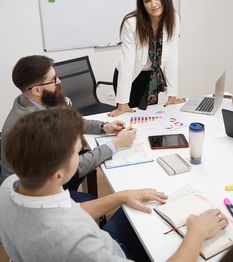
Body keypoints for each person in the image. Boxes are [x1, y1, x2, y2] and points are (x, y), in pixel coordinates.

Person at [0, 107, 228, 262]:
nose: (80, 154)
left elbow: (65, 211)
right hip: (106, 251)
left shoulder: (10, 186)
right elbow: (67, 229)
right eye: (76, 153)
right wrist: (196, 235)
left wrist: (119, 196)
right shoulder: (77, 243)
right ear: (58, 176)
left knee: (132, 213)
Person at [1, 55, 136, 189]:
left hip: (47, 171)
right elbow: (72, 167)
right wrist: (116, 144)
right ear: (36, 90)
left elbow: (69, 122)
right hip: (30, 191)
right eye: (53, 79)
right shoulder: (32, 127)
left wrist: (104, 127)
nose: (59, 81)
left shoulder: (34, 99)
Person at [109, 0, 185, 117]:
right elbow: (127, 62)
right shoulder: (131, 23)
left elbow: (172, 57)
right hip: (132, 75)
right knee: (129, 119)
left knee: (149, 118)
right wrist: (122, 103)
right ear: (142, 3)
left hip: (152, 77)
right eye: (147, 1)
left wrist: (172, 95)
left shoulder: (174, 19)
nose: (153, 4)